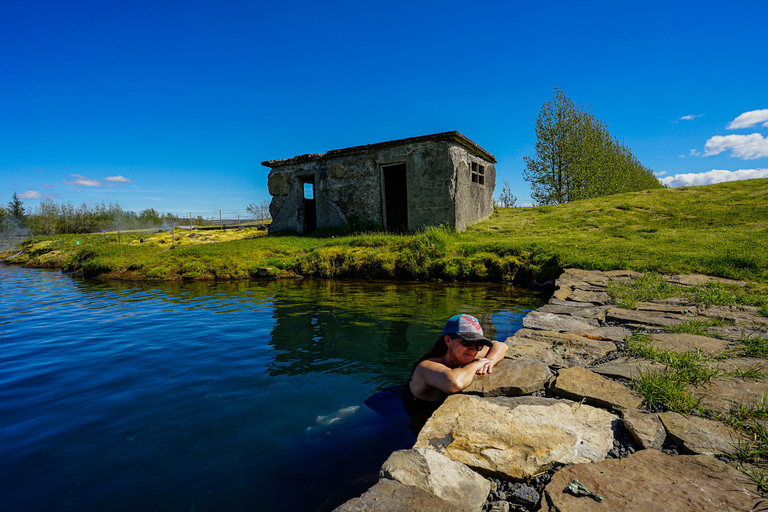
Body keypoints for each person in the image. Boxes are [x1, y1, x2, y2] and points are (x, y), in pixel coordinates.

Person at [401, 313, 508, 435]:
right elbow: (454, 383)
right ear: (448, 340)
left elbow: (501, 346)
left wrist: (490, 362)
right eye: (467, 342)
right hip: (410, 415)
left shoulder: (466, 353)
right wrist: (474, 365)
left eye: (478, 345)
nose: (473, 349)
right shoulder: (426, 366)